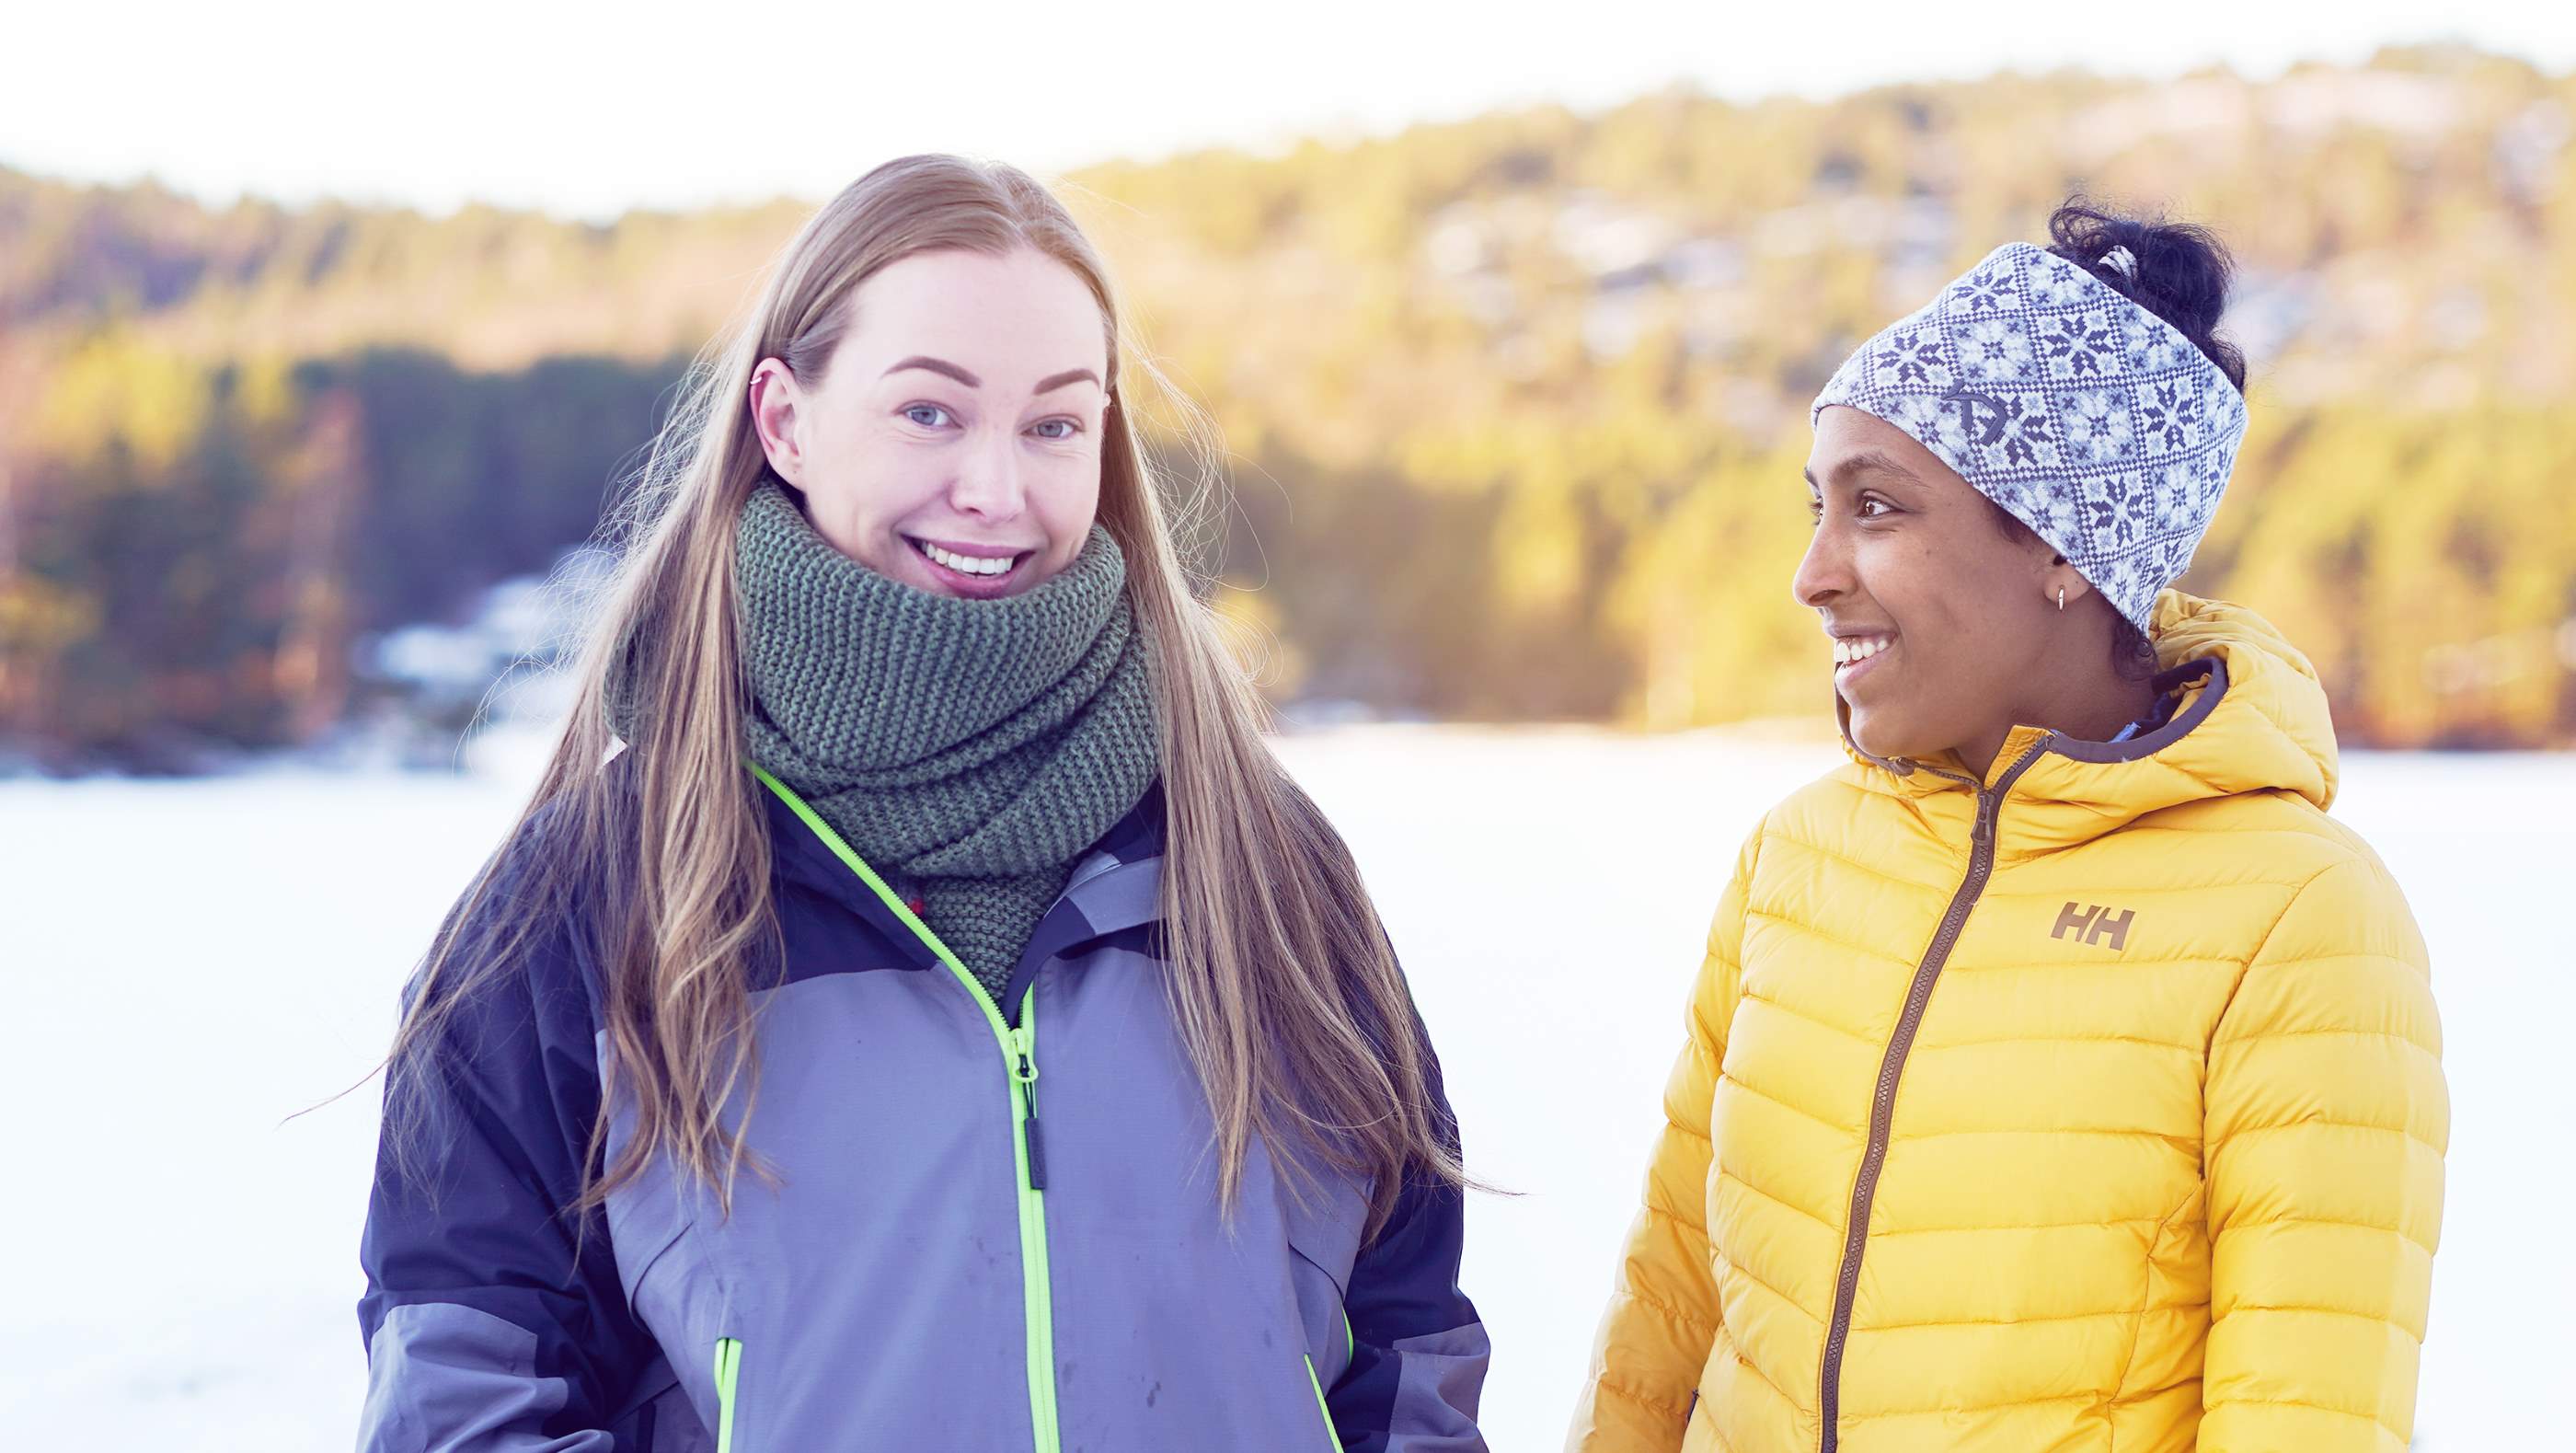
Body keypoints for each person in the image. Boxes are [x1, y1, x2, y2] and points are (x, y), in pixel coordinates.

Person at [357, 154, 1488, 1452]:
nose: (998, 492)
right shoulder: (588, 895)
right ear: (785, 420)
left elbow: (1405, 1349)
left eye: (1056, 424)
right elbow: (467, 1387)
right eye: (931, 415)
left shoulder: (1258, 862)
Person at [1569, 203, 2444, 1452]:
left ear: (2063, 549)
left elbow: (2310, 1421)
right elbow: (1668, 1315)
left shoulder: (2300, 921)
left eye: (1877, 507)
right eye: (1816, 506)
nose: (1813, 572)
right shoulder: (1796, 859)